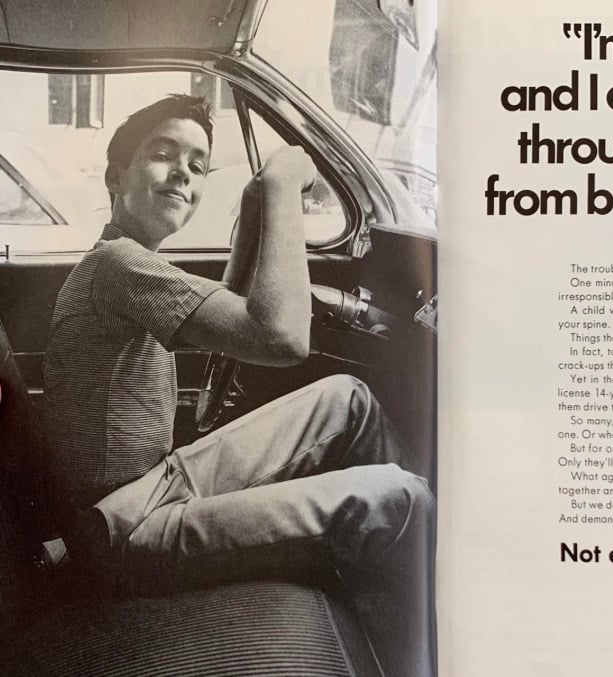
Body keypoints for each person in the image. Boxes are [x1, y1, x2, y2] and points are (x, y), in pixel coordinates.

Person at [43, 94, 434, 674]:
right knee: (398, 497)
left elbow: (237, 310)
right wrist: (280, 186)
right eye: (162, 154)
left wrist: (254, 207)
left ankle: (397, 576)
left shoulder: (127, 264)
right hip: (120, 534)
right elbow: (280, 337)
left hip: (154, 485)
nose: (183, 172)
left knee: (346, 401)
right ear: (115, 175)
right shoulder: (119, 267)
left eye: (198, 165)